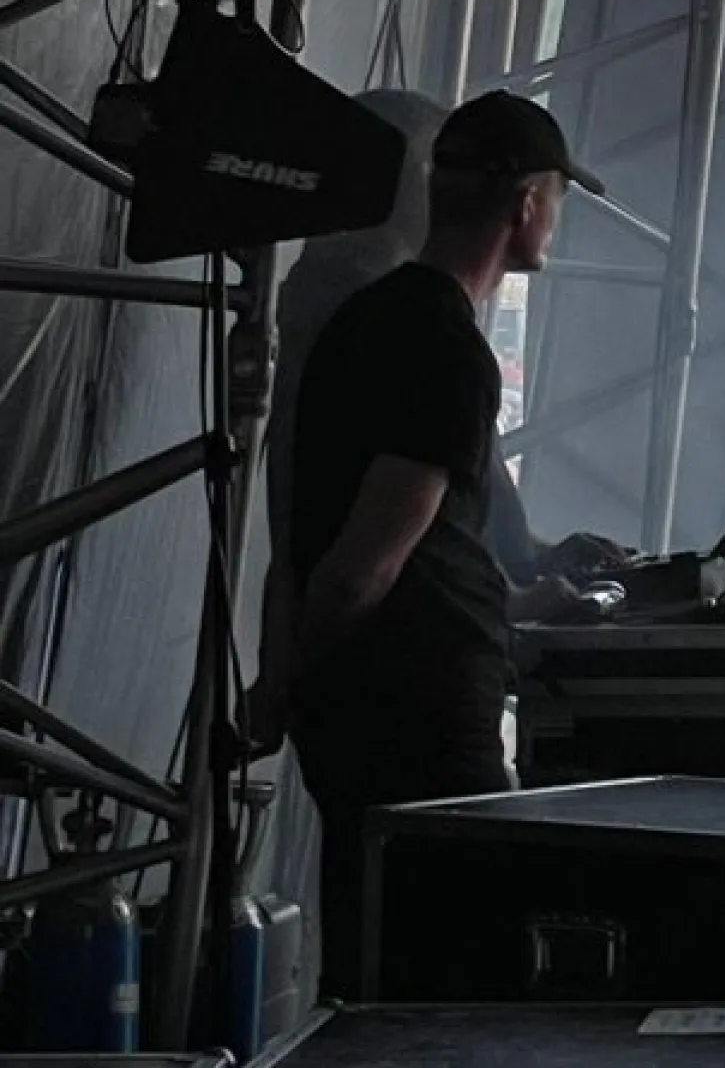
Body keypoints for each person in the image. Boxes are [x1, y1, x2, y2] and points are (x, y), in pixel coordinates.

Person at [254, 91, 607, 995]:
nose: (555, 219)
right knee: (445, 974)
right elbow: (368, 562)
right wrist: (291, 678)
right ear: (527, 202)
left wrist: (283, 677)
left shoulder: (364, 322)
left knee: (376, 958)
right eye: (557, 199)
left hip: (363, 709)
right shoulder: (444, 348)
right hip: (416, 719)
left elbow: (342, 528)